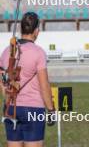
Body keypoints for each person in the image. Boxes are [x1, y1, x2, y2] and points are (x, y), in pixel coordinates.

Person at [0, 12, 55, 147]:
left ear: (21, 28)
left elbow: (2, 80)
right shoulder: (38, 52)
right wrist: (51, 110)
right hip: (33, 108)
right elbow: (44, 85)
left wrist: (6, 100)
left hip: (11, 108)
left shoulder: (7, 51)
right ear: (36, 31)